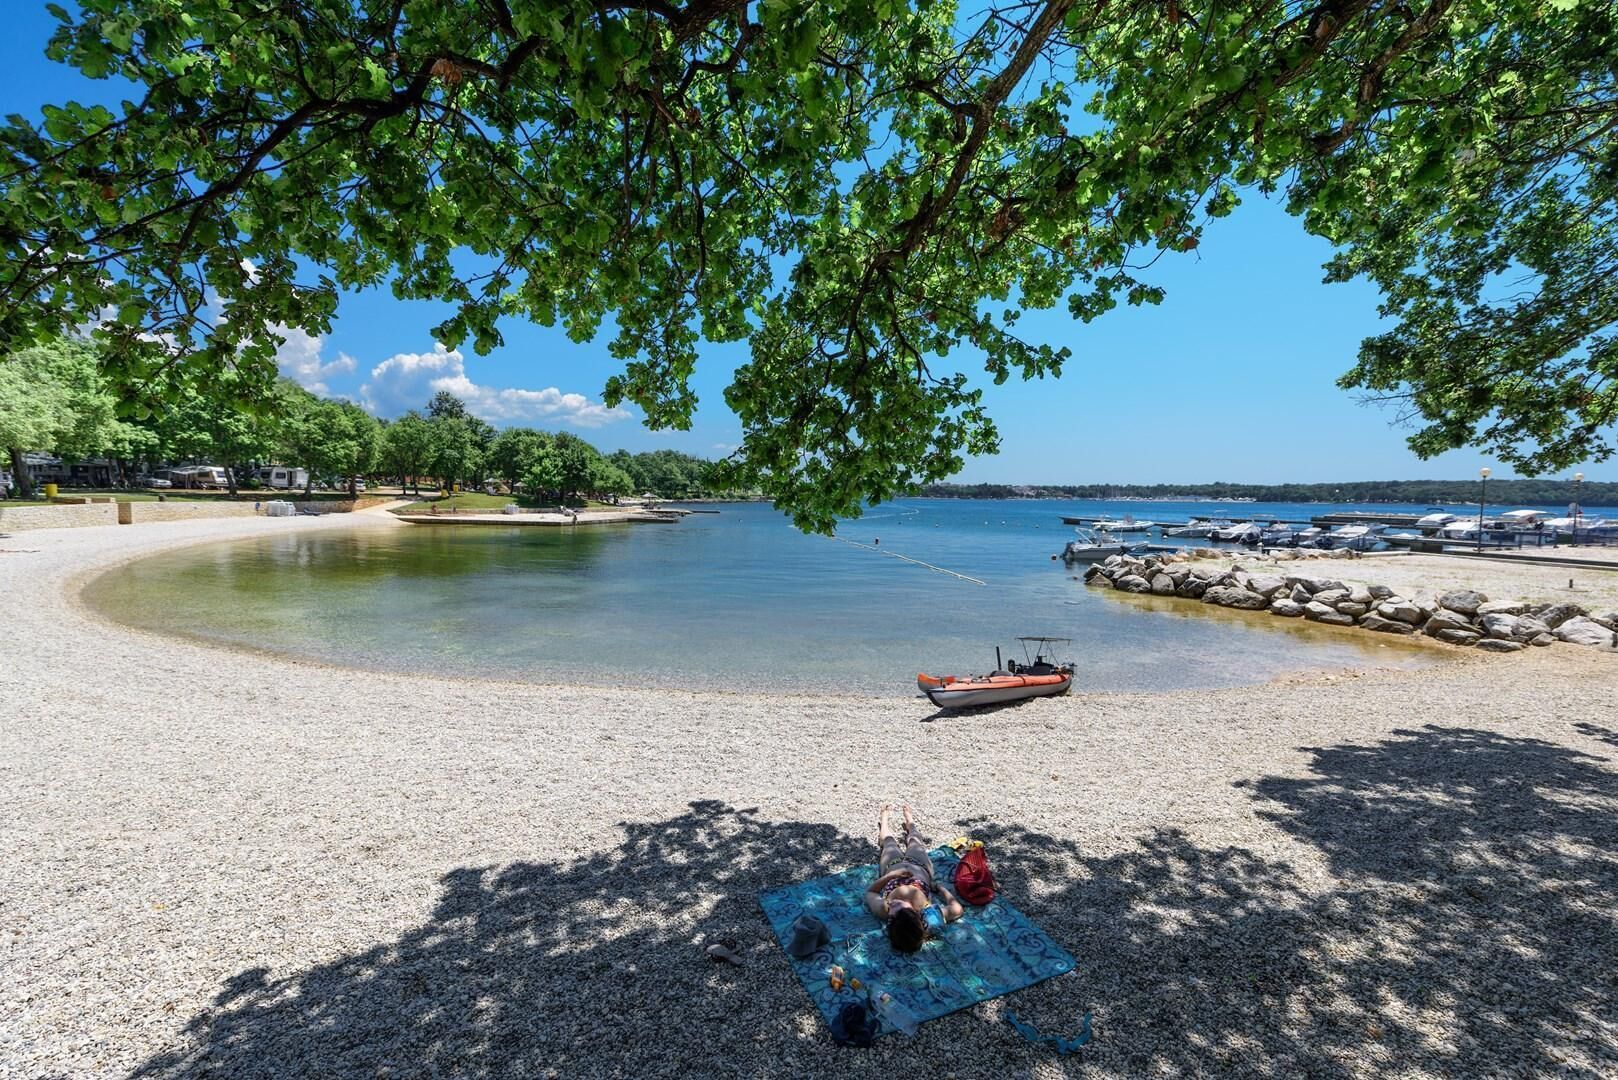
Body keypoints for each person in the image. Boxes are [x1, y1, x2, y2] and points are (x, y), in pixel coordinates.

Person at [864, 804, 964, 952]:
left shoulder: (883, 910)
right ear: (916, 916)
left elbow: (870, 893)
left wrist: (891, 876)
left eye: (892, 912)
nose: (893, 905)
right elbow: (957, 909)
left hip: (892, 865)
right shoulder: (928, 916)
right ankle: (909, 822)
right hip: (921, 866)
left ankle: (884, 820)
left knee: (889, 842)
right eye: (899, 907)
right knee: (915, 840)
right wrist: (941, 889)